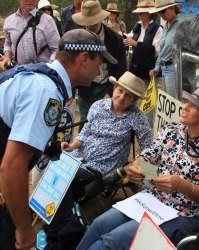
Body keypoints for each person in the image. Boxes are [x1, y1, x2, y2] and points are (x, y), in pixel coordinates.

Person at [0, 29, 117, 250]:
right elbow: (11, 167)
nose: (99, 71)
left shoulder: (44, 78)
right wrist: (24, 228)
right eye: (99, 64)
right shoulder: (46, 92)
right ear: (84, 58)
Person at [77, 84, 199, 249]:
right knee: (99, 224)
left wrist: (180, 185)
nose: (184, 107)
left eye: (192, 106)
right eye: (186, 102)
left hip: (184, 213)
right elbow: (146, 157)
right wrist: (139, 170)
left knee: (112, 241)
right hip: (151, 198)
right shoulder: (171, 130)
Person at [61, 71, 152, 200]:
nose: (122, 97)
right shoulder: (98, 106)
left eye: (129, 96)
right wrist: (71, 146)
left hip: (103, 166)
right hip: (79, 157)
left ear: (134, 101)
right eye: (120, 91)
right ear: (114, 88)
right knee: (55, 166)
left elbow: (148, 148)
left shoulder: (137, 117)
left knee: (69, 178)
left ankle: (62, 214)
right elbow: (85, 132)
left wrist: (134, 166)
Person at [72, 0, 126, 131]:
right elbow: (73, 65)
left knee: (106, 126)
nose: (90, 25)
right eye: (87, 22)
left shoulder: (115, 38)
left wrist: (111, 92)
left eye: (93, 21)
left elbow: (121, 68)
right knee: (85, 125)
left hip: (106, 85)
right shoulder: (76, 38)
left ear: (100, 19)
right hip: (85, 88)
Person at [0, 0, 60, 71]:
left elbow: (57, 48)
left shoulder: (47, 20)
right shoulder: (9, 21)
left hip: (42, 73)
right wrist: (7, 56)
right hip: (19, 72)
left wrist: (49, 67)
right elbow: (8, 44)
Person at [149, 0, 182, 97]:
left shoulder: (182, 23)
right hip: (165, 69)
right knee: (168, 102)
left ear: (172, 8)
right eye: (159, 12)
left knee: (174, 102)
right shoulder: (165, 25)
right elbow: (163, 49)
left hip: (176, 69)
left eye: (163, 11)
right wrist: (157, 67)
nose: (161, 15)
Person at [125, 0, 163, 80]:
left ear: (149, 13)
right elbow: (130, 36)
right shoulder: (138, 26)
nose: (139, 14)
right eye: (138, 12)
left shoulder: (158, 29)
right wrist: (124, 39)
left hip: (148, 71)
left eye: (141, 12)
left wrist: (136, 44)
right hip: (135, 69)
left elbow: (155, 51)